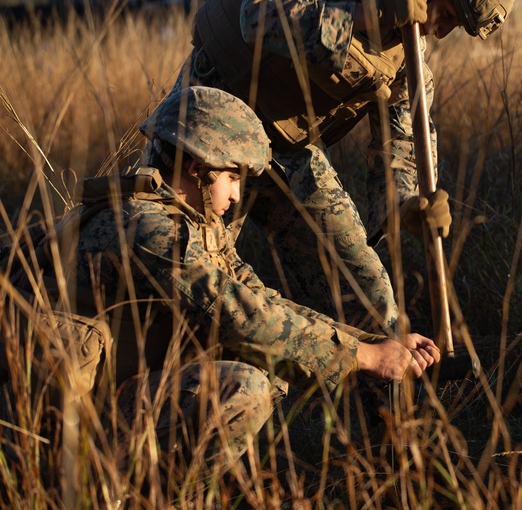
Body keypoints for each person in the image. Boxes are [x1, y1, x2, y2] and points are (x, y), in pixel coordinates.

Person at [11, 86, 441, 473]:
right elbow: (244, 319)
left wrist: (371, 340)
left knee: (263, 366)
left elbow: (263, 303)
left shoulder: (192, 226)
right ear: (199, 168)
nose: (237, 195)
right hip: (67, 425)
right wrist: (365, 357)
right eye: (233, 177)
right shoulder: (148, 230)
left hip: (114, 396)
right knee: (244, 386)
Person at [171, 0, 522, 333]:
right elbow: (260, 14)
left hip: (288, 150)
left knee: (373, 305)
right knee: (188, 285)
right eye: (446, 15)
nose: (440, 33)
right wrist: (367, 15)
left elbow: (400, 158)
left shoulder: (408, 63)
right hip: (206, 131)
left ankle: (379, 388)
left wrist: (407, 206)